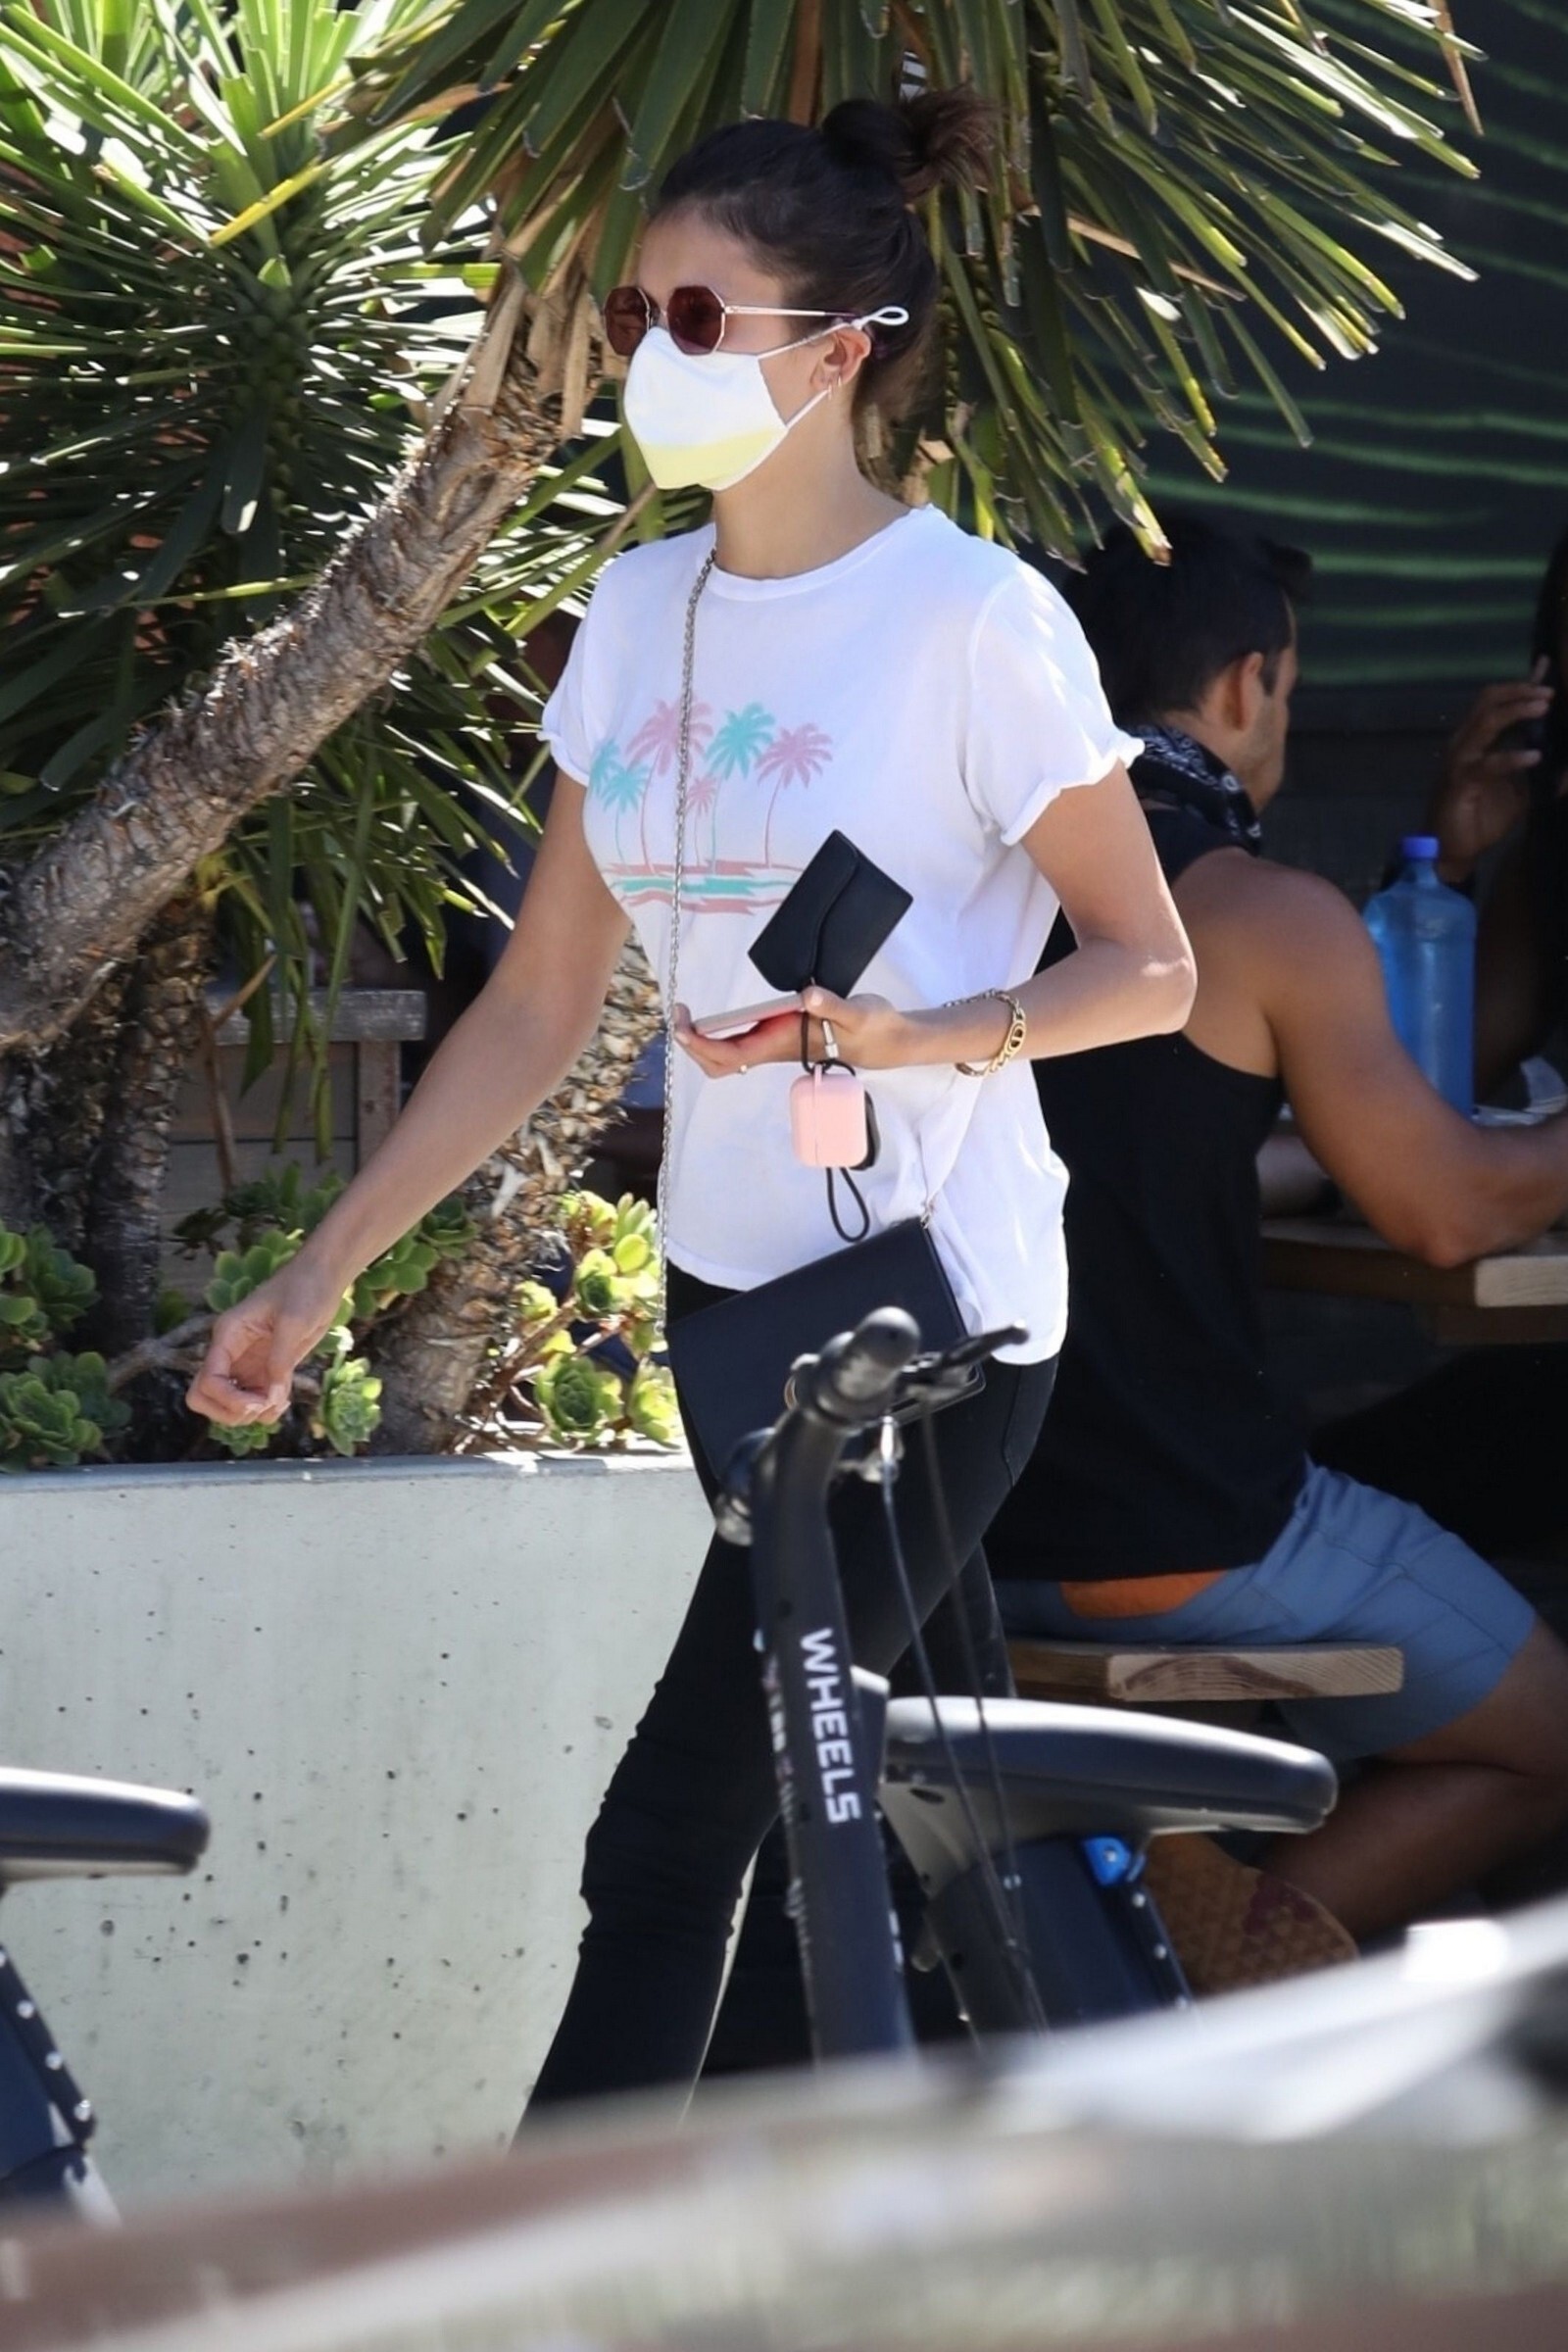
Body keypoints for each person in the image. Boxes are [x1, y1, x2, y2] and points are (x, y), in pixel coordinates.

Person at [187, 90, 1195, 2108]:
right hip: (737, 1302)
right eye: (641, 312)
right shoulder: (640, 615)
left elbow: (1149, 969)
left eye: (703, 318)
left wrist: (911, 1038)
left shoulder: (975, 622)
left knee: (672, 1835)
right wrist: (319, 1275)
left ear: (840, 350)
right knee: (790, 1839)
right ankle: (810, 2226)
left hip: (928, 1319)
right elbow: (538, 1001)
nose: (655, 354)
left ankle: (564, 2263)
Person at [987, 514, 1568, 1947]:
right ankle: (1216, 1975)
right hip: (1187, 1527)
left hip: (972, 1531)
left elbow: (1147, 1149)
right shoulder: (1254, 910)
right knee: (1550, 1739)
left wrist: (1444, 869)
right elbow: (1448, 1213)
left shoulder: (963, 890)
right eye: (1292, 691)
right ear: (1249, 684)